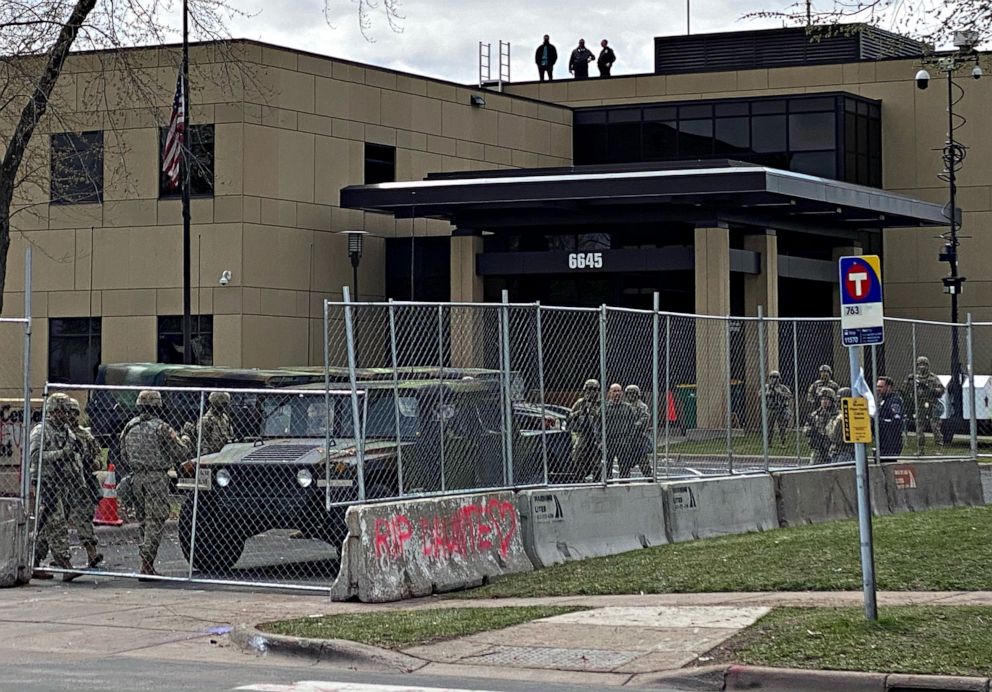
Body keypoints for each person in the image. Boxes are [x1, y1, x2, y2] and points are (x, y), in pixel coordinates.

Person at [120, 390, 192, 577]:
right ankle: (147, 563)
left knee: (143, 521)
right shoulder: (162, 428)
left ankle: (145, 560)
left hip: (136, 478)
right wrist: (186, 439)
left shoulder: (129, 426)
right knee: (156, 521)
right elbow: (180, 452)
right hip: (156, 479)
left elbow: (123, 454)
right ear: (157, 405)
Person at [29, 393, 82, 581]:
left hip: (63, 484)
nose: (64, 415)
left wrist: (80, 481)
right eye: (60, 411)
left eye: (66, 411)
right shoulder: (41, 431)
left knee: (46, 527)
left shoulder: (68, 432)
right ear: (51, 411)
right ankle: (66, 565)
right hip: (46, 483)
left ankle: (33, 562)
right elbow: (36, 456)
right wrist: (60, 454)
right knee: (57, 523)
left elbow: (75, 458)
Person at [66, 397, 103, 568]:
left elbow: (98, 457)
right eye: (68, 412)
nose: (70, 416)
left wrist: (93, 462)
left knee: (84, 518)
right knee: (53, 520)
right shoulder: (54, 432)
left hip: (81, 482)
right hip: (60, 483)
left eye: (74, 413)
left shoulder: (84, 434)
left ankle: (92, 554)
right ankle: (46, 558)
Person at [904, 355, 945, 452]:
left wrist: (931, 389)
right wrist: (909, 383)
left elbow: (941, 390)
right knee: (919, 428)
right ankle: (920, 449)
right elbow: (907, 391)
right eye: (920, 365)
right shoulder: (914, 378)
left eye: (924, 364)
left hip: (932, 403)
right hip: (919, 404)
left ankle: (939, 449)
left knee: (935, 427)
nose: (922, 367)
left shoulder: (933, 378)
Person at [568, 379, 602, 481]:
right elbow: (569, 416)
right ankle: (579, 478)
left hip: (596, 434)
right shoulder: (580, 403)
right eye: (589, 389)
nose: (591, 392)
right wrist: (578, 412)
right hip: (583, 433)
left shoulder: (600, 403)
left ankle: (597, 480)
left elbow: (603, 418)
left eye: (594, 389)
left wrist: (594, 411)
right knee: (578, 455)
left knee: (596, 459)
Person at [603, 383, 635, 478]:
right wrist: (600, 440)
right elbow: (598, 425)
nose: (617, 393)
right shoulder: (605, 408)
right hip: (609, 441)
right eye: (614, 391)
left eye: (618, 391)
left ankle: (625, 486)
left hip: (623, 441)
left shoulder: (627, 407)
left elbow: (632, 424)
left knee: (625, 468)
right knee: (607, 468)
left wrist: (629, 438)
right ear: (609, 393)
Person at [619, 385, 650, 477]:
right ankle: (625, 480)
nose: (631, 395)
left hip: (637, 438)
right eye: (629, 393)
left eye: (633, 393)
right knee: (624, 463)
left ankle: (649, 478)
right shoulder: (624, 405)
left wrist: (634, 426)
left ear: (638, 394)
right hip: (625, 439)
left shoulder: (642, 406)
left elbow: (645, 418)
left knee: (644, 462)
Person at [804, 388, 837, 465]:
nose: (824, 401)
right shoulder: (814, 415)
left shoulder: (837, 415)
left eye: (827, 399)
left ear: (832, 401)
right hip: (818, 448)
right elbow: (806, 429)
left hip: (833, 448)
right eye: (822, 399)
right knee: (813, 468)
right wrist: (810, 431)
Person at [876, 375, 905, 458]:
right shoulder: (883, 400)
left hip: (891, 441)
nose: (878, 389)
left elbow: (896, 421)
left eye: (881, 387)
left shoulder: (894, 401)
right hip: (883, 439)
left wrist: (878, 421)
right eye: (877, 386)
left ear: (889, 387)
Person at [764, 371, 792, 448]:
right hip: (771, 409)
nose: (774, 379)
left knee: (782, 427)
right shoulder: (766, 387)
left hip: (781, 409)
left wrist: (779, 393)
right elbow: (760, 394)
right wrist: (768, 393)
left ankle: (783, 443)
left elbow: (789, 395)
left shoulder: (783, 387)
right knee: (769, 427)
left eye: (776, 377)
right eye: (772, 377)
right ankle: (768, 443)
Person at [826, 387, 855, 462]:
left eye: (839, 401)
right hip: (839, 451)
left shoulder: (842, 417)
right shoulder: (839, 414)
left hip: (844, 452)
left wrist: (832, 423)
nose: (837, 404)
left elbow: (834, 437)